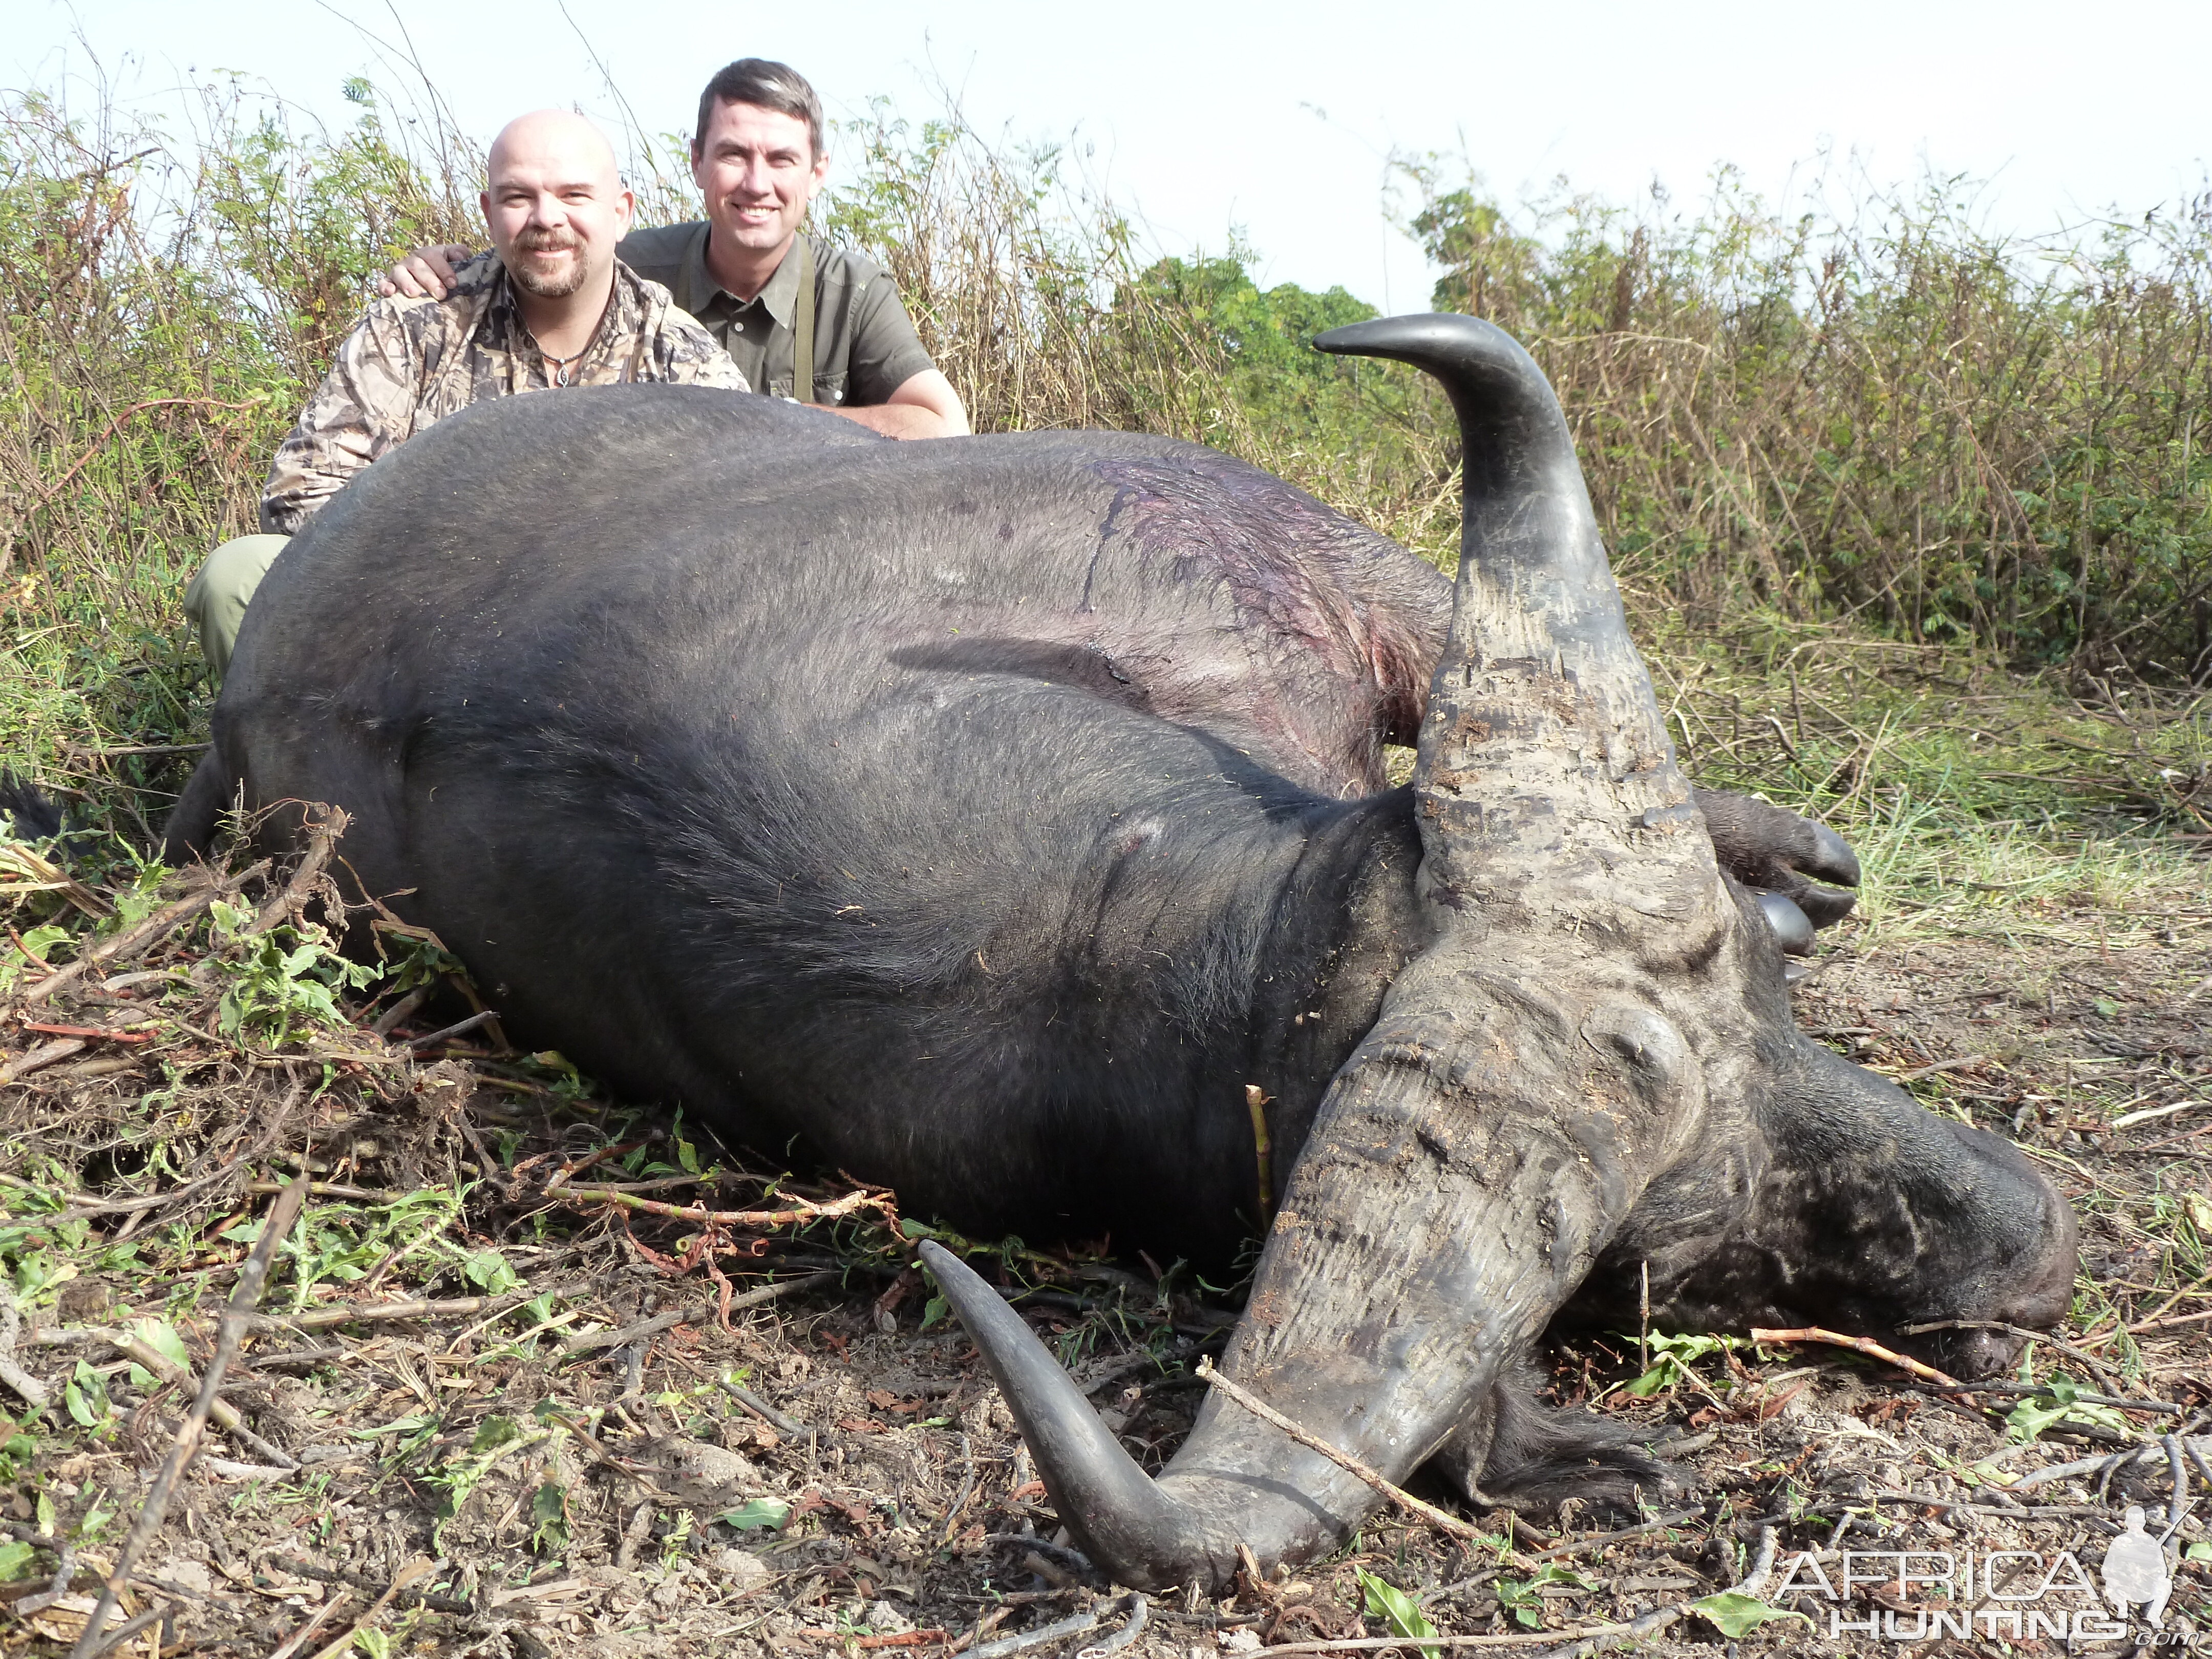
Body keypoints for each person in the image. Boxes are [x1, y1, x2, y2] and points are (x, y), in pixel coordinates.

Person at [185, 109, 749, 683]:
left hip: (605, 649)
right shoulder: (418, 322)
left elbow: (743, 538)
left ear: (621, 212)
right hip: (414, 627)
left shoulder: (683, 359)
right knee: (237, 576)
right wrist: (455, 580)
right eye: (518, 197)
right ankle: (305, 771)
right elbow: (299, 494)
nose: (546, 218)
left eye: (574, 195)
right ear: (489, 212)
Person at [384, 59, 968, 440]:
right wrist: (445, 274)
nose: (756, 184)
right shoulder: (626, 268)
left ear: (817, 174)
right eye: (734, 155)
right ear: (697, 162)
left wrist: (772, 424)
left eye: (782, 160)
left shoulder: (853, 292)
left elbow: (944, 427)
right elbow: (538, 259)